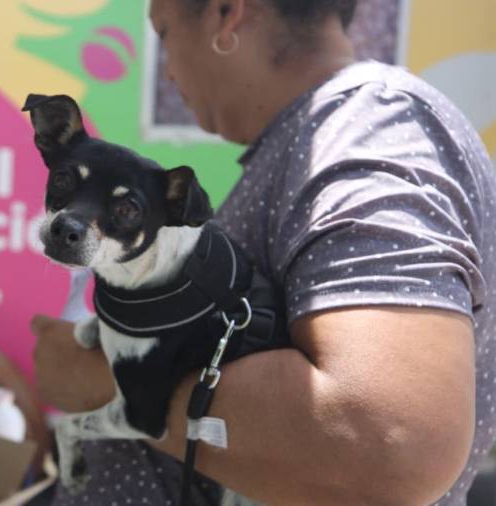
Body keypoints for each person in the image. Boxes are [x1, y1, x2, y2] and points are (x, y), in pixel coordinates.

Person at [29, 0, 496, 504]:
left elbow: (389, 444)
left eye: (163, 32)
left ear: (227, 14)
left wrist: (100, 379)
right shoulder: (325, 134)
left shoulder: (364, 134)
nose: (165, 67)